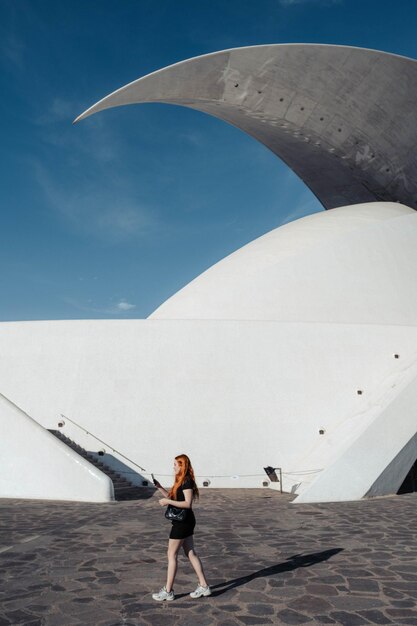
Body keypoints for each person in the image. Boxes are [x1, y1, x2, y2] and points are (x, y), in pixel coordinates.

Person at [152, 454, 211, 602]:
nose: (173, 467)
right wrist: (160, 488)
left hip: (182, 523)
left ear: (182, 465)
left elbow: (187, 503)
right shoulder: (180, 481)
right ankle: (204, 586)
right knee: (190, 553)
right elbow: (173, 498)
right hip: (185, 521)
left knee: (171, 555)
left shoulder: (186, 482)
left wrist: (166, 501)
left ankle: (168, 591)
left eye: (175, 464)